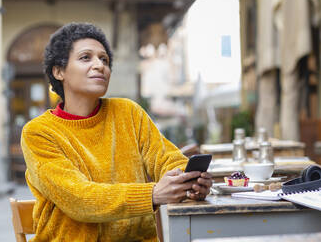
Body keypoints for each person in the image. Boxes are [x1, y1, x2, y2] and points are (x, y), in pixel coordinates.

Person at [21, 23, 212, 241]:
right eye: (86, 58)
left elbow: (167, 158)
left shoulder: (128, 113)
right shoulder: (38, 132)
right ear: (59, 71)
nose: (99, 65)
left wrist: (188, 181)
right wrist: (153, 194)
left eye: (104, 60)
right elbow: (79, 199)